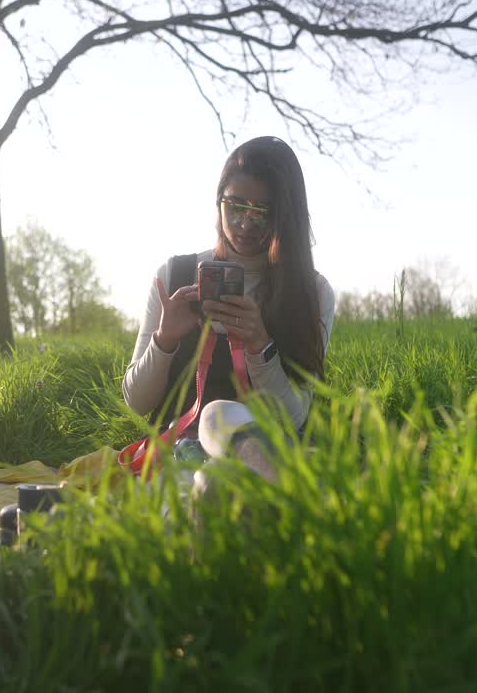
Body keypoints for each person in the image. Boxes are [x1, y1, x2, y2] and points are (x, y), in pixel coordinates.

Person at [122, 136, 335, 480]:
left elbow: (293, 418)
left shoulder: (312, 292)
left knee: (217, 415)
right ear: (218, 201)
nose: (245, 224)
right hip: (175, 458)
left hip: (263, 460)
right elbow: (137, 401)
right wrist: (165, 340)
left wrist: (259, 348)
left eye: (263, 213)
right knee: (202, 480)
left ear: (286, 216)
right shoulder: (175, 275)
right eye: (235, 206)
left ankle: (255, 486)